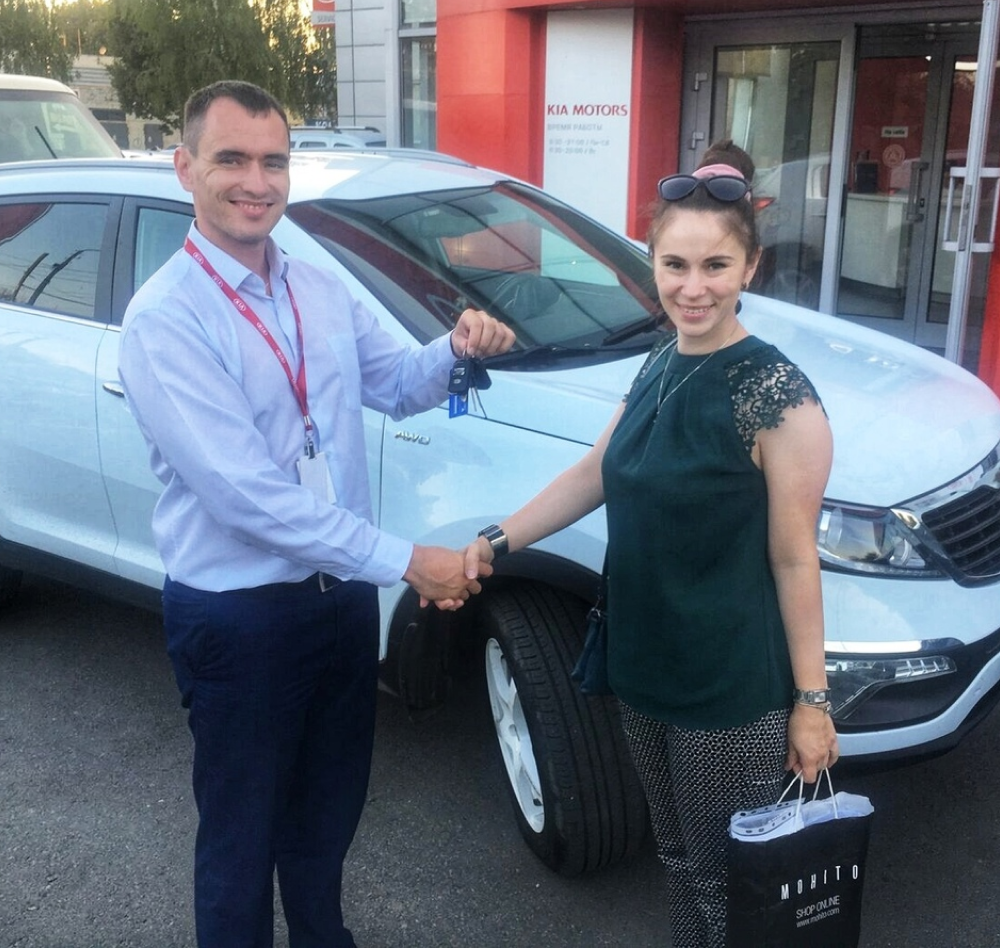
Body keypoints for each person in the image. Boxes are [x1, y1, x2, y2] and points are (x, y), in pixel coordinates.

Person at [117, 80, 514, 948]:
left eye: (274, 161)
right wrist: (407, 560)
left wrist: (454, 347)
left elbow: (396, 381)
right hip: (239, 617)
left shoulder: (317, 286)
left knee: (326, 820)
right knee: (241, 839)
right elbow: (246, 498)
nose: (256, 182)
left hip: (339, 604)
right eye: (231, 159)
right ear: (185, 168)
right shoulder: (165, 320)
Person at [461, 140, 838, 948]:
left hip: (728, 690)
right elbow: (596, 470)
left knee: (728, 881)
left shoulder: (778, 396)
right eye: (675, 265)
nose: (692, 287)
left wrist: (812, 705)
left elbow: (794, 558)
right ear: (653, 265)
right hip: (643, 666)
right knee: (677, 860)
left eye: (716, 266)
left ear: (750, 267)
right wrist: (500, 537)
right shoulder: (661, 361)